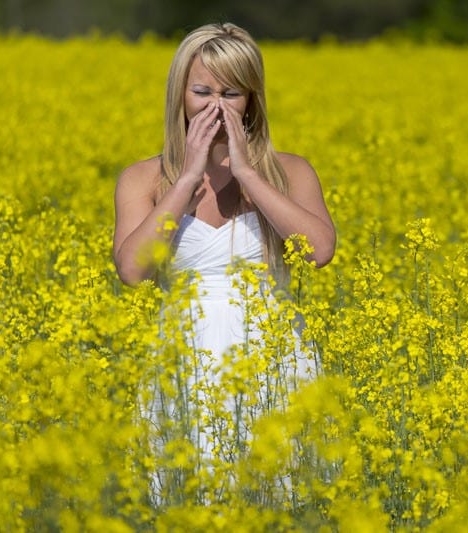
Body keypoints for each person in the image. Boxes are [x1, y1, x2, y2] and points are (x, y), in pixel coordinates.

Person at [112, 22, 335, 503]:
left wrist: (249, 175)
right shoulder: (143, 179)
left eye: (232, 93)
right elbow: (132, 270)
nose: (215, 106)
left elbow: (318, 251)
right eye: (202, 91)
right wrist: (186, 178)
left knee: (283, 501)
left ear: (252, 100)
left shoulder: (290, 171)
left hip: (276, 359)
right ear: (180, 95)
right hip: (183, 358)